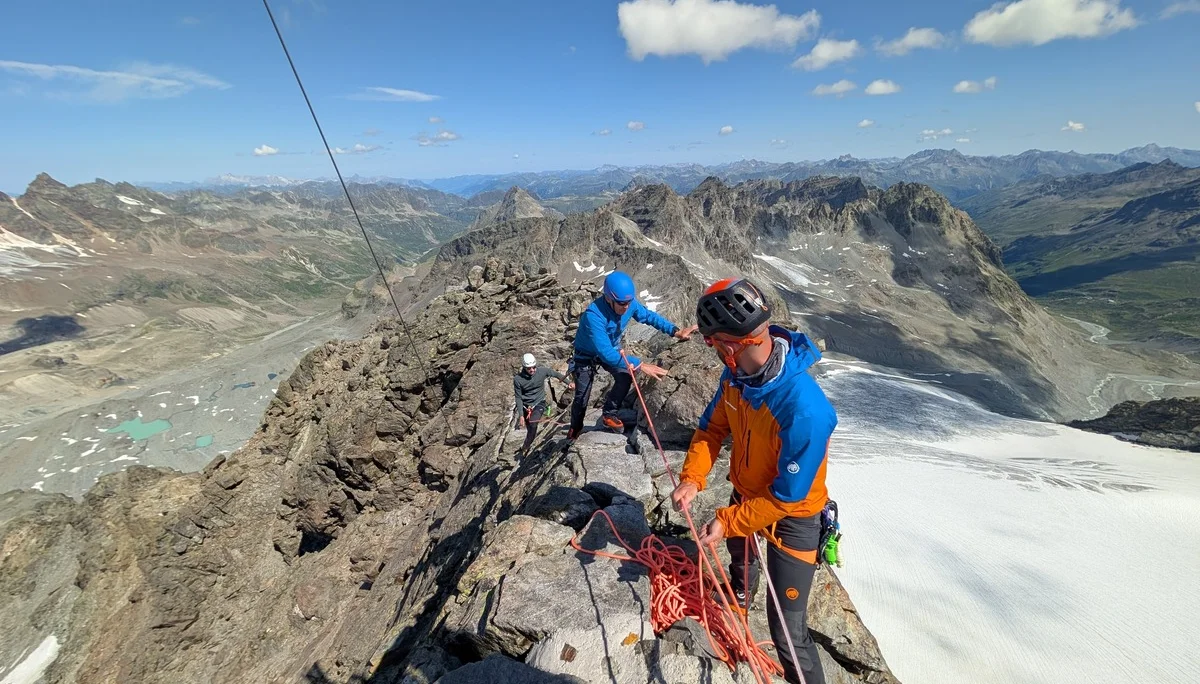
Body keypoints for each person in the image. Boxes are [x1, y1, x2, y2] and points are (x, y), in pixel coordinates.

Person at [670, 277, 836, 684]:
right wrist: (692, 478)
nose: (714, 352)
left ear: (728, 344)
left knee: (788, 633)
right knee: (740, 560)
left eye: (713, 344)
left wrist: (728, 521)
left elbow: (785, 497)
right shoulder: (735, 380)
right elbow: (711, 429)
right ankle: (739, 597)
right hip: (746, 493)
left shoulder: (806, 410)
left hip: (793, 518)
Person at [568, 271, 697, 439]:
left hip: (610, 348)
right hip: (586, 354)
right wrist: (641, 364)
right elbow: (606, 353)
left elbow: (649, 317)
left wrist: (676, 331)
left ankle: (609, 413)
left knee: (625, 376)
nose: (626, 307)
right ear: (608, 298)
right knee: (582, 396)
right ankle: (575, 429)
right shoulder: (593, 316)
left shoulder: (628, 304)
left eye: (629, 302)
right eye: (622, 303)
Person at [513, 352, 573, 452]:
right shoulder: (518, 379)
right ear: (524, 367)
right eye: (529, 368)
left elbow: (556, 374)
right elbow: (518, 397)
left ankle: (526, 447)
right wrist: (521, 416)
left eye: (534, 367)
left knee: (533, 423)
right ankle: (526, 444)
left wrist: (569, 383)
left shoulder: (542, 371)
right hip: (525, 407)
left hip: (539, 402)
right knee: (530, 428)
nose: (532, 370)